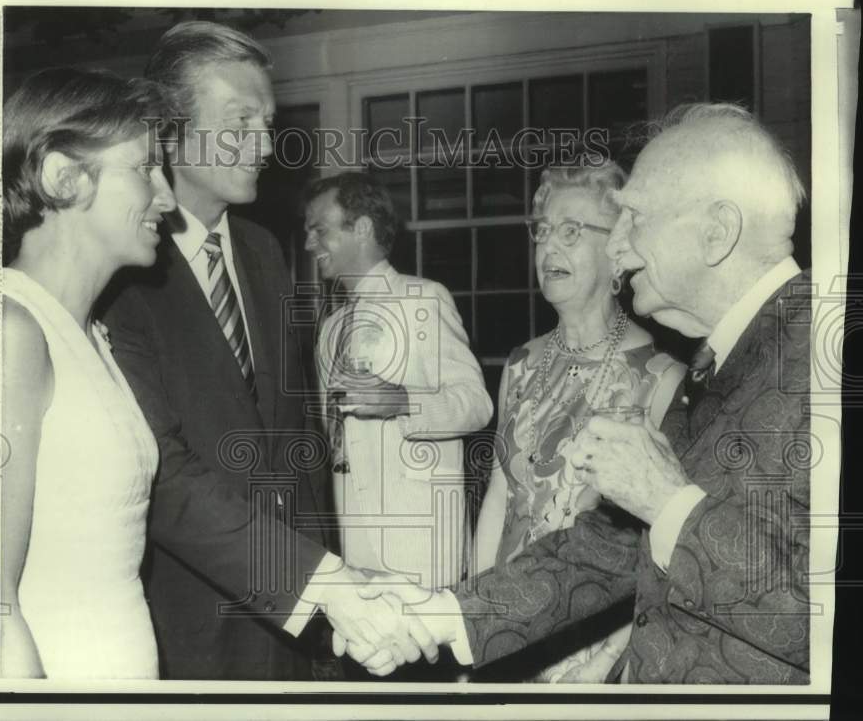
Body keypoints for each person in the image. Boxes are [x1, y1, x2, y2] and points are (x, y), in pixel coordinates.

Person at [351, 102, 812, 684]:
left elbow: (818, 610)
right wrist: (446, 615)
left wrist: (668, 502)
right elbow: (610, 550)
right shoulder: (718, 365)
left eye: (635, 220)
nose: (617, 249)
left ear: (716, 232)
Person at [98, 22, 434, 680]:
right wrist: (319, 582)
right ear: (169, 131)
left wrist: (327, 613)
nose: (264, 143)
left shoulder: (261, 250)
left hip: (299, 629)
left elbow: (297, 433)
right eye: (240, 120)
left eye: (268, 120)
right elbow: (163, 474)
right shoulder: (122, 269)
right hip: (194, 634)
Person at [472, 161, 685, 682]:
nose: (548, 248)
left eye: (571, 232)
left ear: (617, 252)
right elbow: (500, 498)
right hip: (505, 630)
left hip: (590, 646)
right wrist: (472, 621)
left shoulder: (661, 379)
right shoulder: (520, 363)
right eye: (542, 232)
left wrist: (608, 661)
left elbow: (662, 545)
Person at [0, 68, 176, 678]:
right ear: (62, 176)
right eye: (144, 168)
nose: (168, 197)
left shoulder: (93, 334)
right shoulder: (9, 330)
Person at [305, 172, 492, 595]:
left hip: (417, 547)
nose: (308, 244)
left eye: (319, 230)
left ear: (364, 229)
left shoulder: (424, 299)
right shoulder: (331, 327)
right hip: (348, 544)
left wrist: (402, 399)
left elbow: (476, 404)